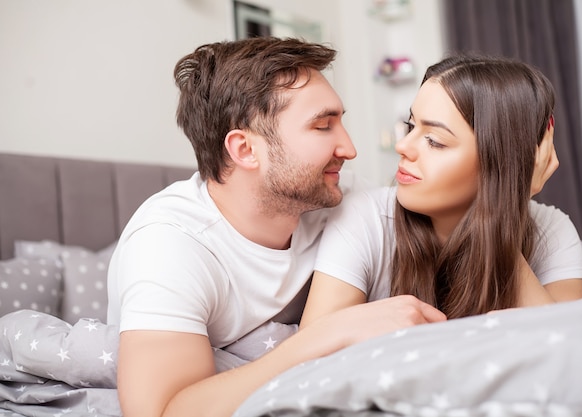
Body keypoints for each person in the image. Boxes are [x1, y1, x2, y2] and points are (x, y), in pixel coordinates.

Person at [106, 37, 457, 417]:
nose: (349, 148)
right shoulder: (169, 246)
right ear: (244, 150)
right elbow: (159, 412)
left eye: (341, 122)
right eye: (323, 126)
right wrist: (326, 335)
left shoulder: (347, 200)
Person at [301, 54, 582, 328]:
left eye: (434, 141)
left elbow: (566, 349)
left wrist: (504, 208)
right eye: (411, 126)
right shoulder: (364, 219)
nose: (403, 147)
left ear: (501, 162)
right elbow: (313, 359)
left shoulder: (551, 229)